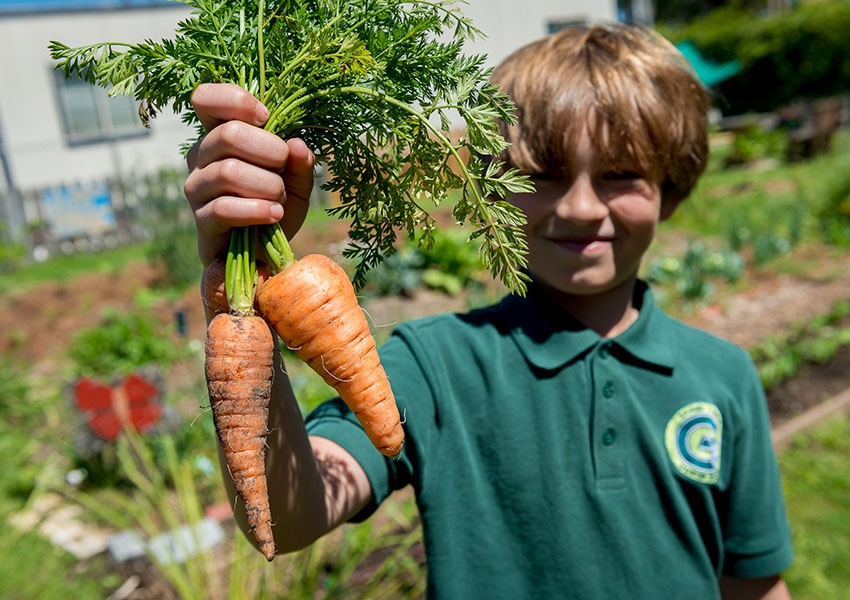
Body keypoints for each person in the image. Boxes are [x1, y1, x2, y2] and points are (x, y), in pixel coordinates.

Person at [184, 22, 794, 599]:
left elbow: (755, 583)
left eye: (620, 174)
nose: (582, 207)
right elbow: (294, 517)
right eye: (545, 175)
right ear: (493, 187)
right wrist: (240, 291)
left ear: (672, 186)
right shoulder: (434, 365)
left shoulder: (723, 375)